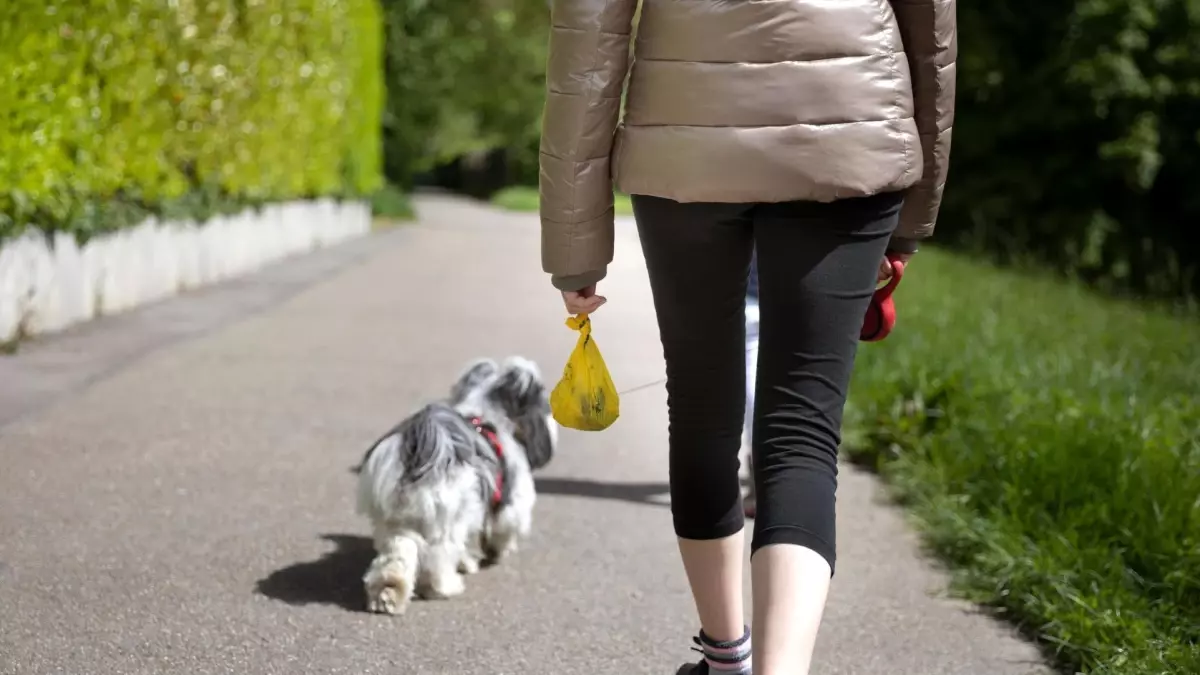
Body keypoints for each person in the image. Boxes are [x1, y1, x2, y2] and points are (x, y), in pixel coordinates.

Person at [539, 1, 957, 673]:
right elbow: (932, 27)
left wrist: (575, 241)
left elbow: (587, 38)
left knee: (703, 408)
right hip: (849, 128)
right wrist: (917, 203)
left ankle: (727, 656)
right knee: (801, 429)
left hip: (686, 140)